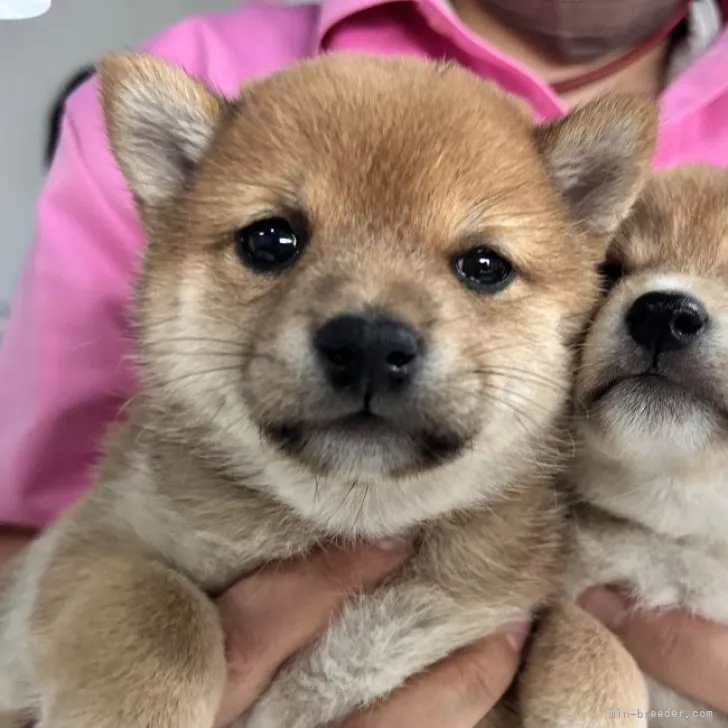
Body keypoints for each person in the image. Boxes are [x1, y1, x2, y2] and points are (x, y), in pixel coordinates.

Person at [0, 0, 727, 724]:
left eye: (479, 266)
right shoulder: (207, 56)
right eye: (271, 243)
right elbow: (36, 547)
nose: (374, 332)